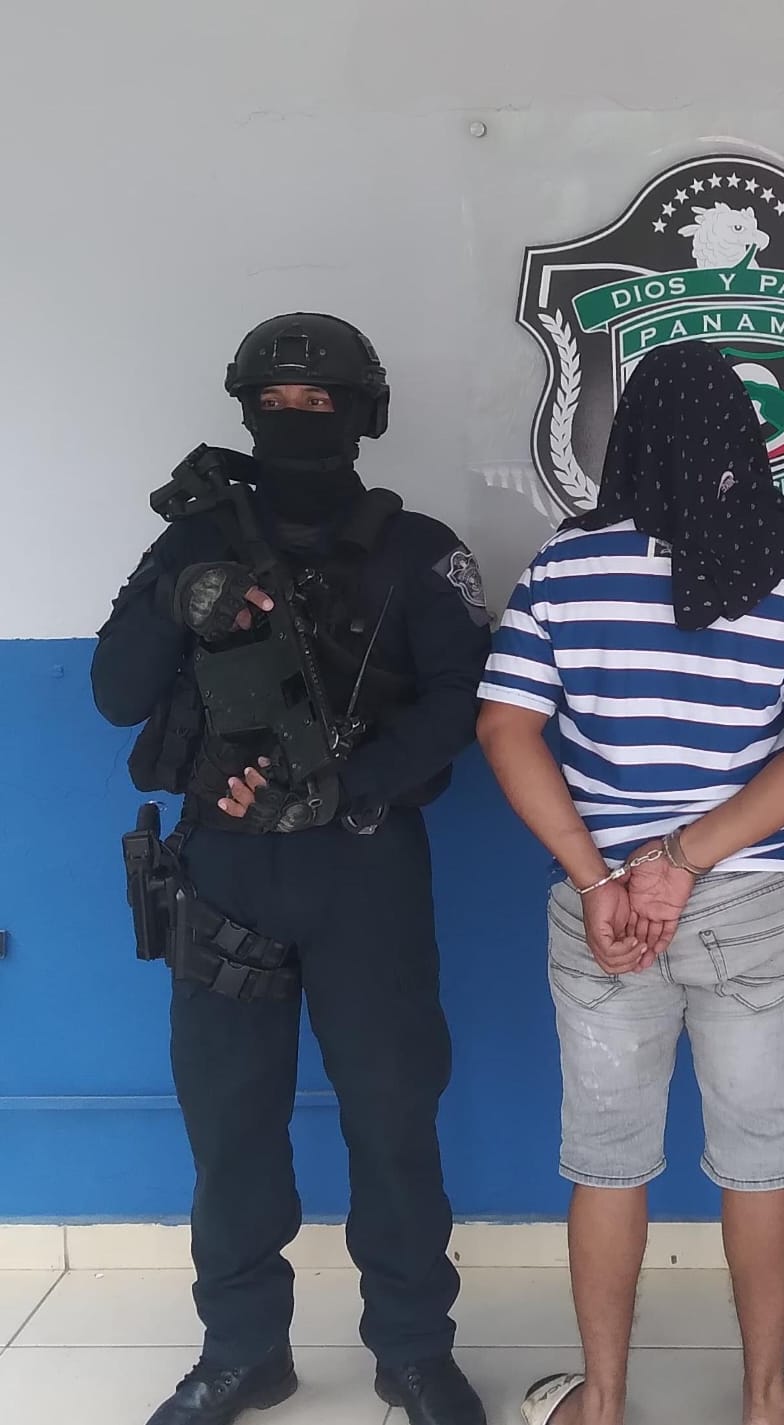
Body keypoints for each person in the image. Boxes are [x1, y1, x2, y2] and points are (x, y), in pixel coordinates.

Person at [92, 314, 491, 1425]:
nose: (297, 420)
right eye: (274, 403)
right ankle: (241, 1352)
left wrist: (345, 786)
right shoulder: (190, 546)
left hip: (363, 866)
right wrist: (180, 598)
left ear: (364, 415)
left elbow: (463, 703)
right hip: (225, 873)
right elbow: (117, 693)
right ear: (245, 411)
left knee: (394, 1122)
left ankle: (413, 1351)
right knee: (230, 1129)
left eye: (320, 403)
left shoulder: (420, 552)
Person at [477, 341, 784, 1425]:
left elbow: (505, 729)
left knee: (606, 1164)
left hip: (600, 907)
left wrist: (605, 874)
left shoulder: (566, 564)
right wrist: (686, 860)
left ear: (629, 439)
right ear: (744, 439)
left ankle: (599, 1402)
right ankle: (766, 1402)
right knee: (759, 1162)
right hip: (754, 901)